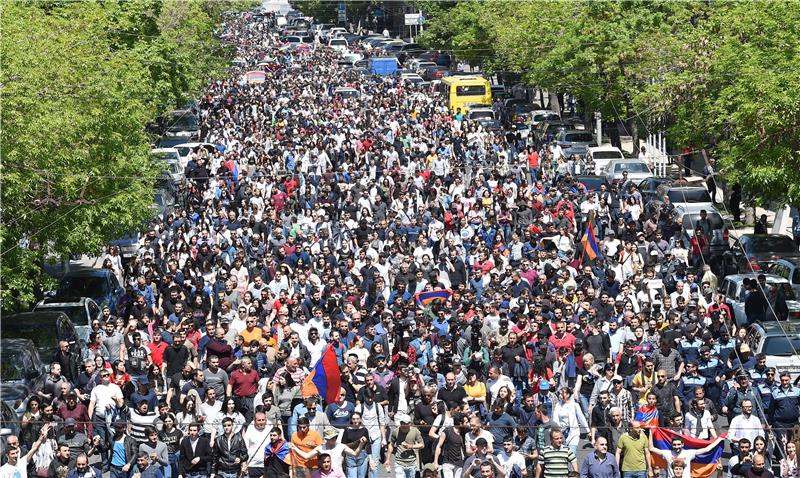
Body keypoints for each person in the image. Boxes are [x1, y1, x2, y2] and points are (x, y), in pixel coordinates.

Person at [648, 434, 725, 478]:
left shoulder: (688, 453)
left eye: (678, 444)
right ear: (671, 445)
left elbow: (706, 449)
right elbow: (651, 448)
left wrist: (719, 439)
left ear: (682, 444)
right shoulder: (667, 453)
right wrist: (651, 432)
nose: (677, 446)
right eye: (674, 445)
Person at [383, 413, 423, 478]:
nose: (404, 425)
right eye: (402, 423)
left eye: (406, 424)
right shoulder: (396, 431)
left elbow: (422, 445)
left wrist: (411, 446)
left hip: (411, 463)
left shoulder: (415, 431)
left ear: (410, 423)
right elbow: (391, 444)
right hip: (399, 463)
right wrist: (388, 459)